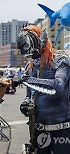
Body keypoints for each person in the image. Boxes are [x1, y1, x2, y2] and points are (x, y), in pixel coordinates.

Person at [17, 25, 70, 154]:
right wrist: (26, 104)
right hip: (39, 128)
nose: (31, 55)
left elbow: (58, 86)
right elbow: (30, 95)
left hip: (61, 129)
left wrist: (27, 80)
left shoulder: (60, 59)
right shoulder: (31, 66)